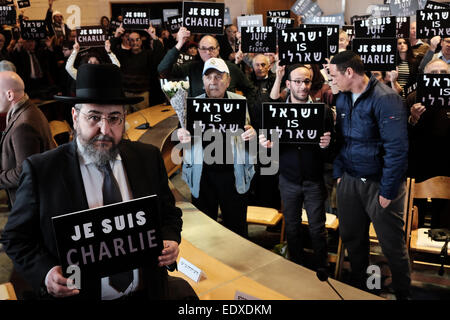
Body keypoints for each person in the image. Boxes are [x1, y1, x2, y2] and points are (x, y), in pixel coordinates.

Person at [0, 64, 194, 300]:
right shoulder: (43, 170)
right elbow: (16, 238)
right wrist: (46, 273)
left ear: (124, 119)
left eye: (114, 118)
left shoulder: (147, 158)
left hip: (147, 292)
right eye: (93, 117)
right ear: (74, 116)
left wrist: (170, 239)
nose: (105, 128)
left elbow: (168, 214)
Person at [328, 51, 411, 300]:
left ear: (349, 73)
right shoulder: (341, 98)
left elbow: (397, 149)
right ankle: (362, 290)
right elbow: (341, 140)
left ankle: (402, 294)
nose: (331, 80)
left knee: (392, 246)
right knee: (354, 241)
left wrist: (388, 190)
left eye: (333, 75)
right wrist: (339, 173)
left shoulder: (386, 99)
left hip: (380, 184)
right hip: (350, 180)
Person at [259, 64, 334, 272]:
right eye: (298, 82)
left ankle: (322, 268)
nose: (303, 86)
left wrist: (326, 145)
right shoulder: (277, 112)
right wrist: (266, 145)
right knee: (291, 227)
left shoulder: (324, 112)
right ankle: (296, 267)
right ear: (289, 84)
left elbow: (331, 154)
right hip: (288, 179)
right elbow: (268, 153)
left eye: (307, 81)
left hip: (314, 180)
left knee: (318, 228)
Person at [176, 58, 256, 238]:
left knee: (236, 228)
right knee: (204, 229)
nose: (213, 81)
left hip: (233, 174)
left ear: (228, 81)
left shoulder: (240, 101)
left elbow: (251, 131)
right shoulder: (192, 104)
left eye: (219, 77)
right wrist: (181, 136)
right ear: (203, 81)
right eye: (209, 77)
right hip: (202, 174)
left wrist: (252, 134)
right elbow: (180, 138)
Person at [157, 27, 256, 107]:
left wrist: (246, 112)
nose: (208, 52)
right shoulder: (191, 67)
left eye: (211, 48)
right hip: (199, 123)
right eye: (203, 49)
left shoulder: (231, 68)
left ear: (218, 49)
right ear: (198, 50)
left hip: (228, 123)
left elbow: (250, 90)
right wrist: (179, 44)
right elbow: (162, 70)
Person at [0, 71, 55, 206]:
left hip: (30, 203)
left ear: (9, 95)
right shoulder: (29, 108)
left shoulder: (23, 124)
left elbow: (24, 172)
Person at [406, 59, 450, 229]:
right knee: (416, 212)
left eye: (443, 73)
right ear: (424, 77)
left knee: (444, 217)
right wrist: (413, 119)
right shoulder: (413, 98)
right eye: (433, 74)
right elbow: (404, 134)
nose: (438, 77)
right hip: (419, 162)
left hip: (447, 163)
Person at [246, 54, 280, 210]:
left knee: (269, 174)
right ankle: (253, 206)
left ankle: (270, 209)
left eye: (262, 65)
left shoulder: (275, 79)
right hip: (250, 133)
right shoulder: (247, 81)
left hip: (270, 134)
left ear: (269, 66)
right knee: (252, 172)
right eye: (256, 65)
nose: (259, 68)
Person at [111, 25, 165, 110]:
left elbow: (159, 53)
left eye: (137, 39)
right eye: (131, 40)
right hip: (126, 94)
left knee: (142, 121)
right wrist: (116, 36)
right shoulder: (123, 54)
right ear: (128, 41)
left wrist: (153, 36)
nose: (134, 42)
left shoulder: (148, 55)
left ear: (141, 41)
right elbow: (111, 50)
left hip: (142, 94)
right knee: (127, 121)